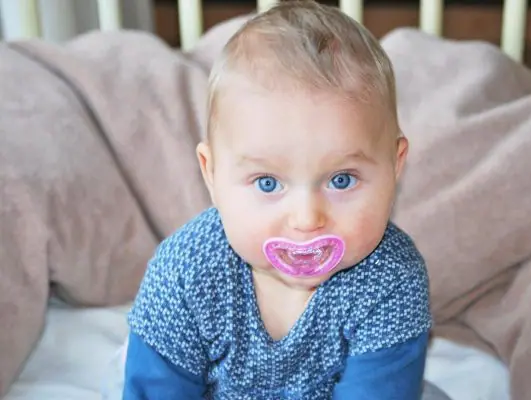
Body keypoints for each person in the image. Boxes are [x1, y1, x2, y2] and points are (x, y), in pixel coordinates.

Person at [122, 1, 432, 398]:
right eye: (268, 183)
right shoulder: (185, 273)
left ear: (394, 164)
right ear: (211, 172)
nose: (307, 218)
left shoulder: (391, 279)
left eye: (341, 180)